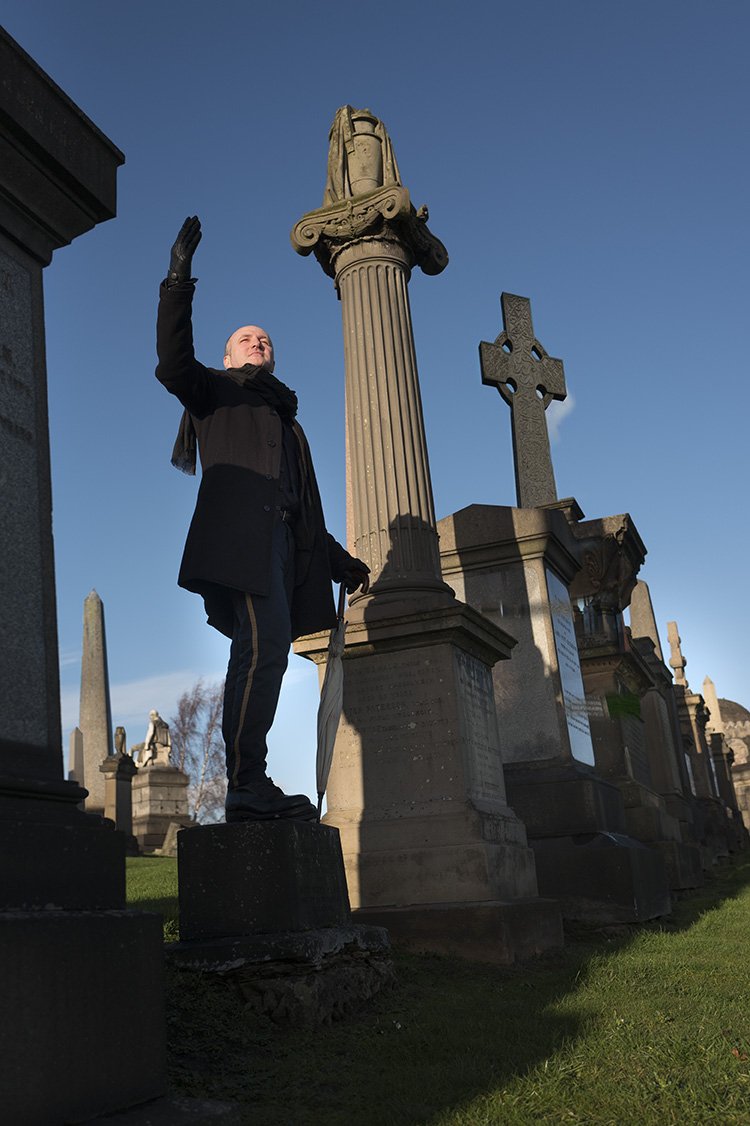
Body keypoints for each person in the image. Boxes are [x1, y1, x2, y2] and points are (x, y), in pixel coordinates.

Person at [156, 216, 369, 823]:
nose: (258, 342)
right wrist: (178, 278)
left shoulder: (287, 423)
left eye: (265, 339)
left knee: (267, 651)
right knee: (261, 648)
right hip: (239, 547)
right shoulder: (215, 392)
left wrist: (346, 565)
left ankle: (249, 783)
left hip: (281, 547)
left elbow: (303, 514)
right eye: (247, 338)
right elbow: (172, 363)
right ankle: (248, 783)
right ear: (227, 356)